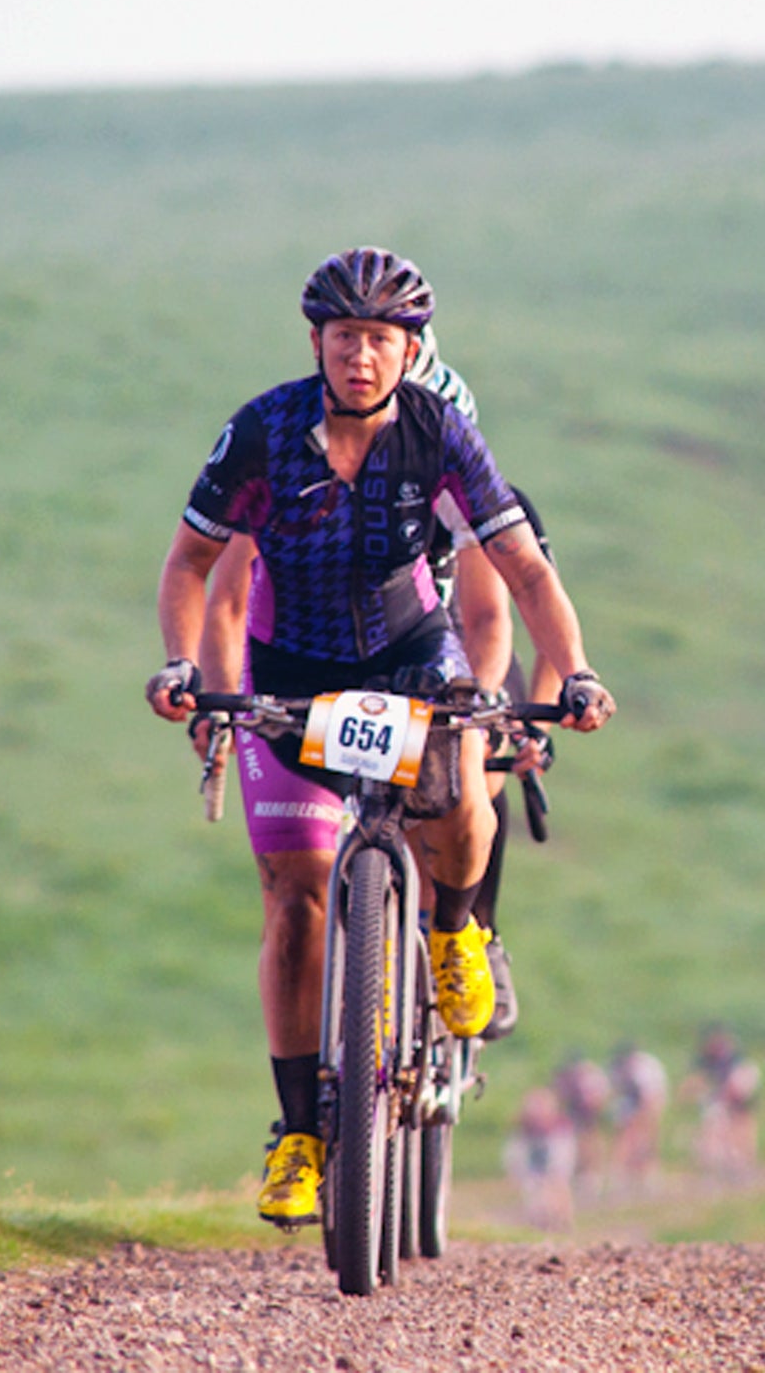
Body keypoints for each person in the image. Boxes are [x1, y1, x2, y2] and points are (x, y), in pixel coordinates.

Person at [145, 246, 615, 1229]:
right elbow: (196, 569)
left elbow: (518, 583)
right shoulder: (263, 433)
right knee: (292, 903)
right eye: (345, 337)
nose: (361, 357)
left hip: (409, 656)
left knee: (455, 790)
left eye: (382, 340)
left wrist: (565, 676)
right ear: (316, 341)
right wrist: (191, 672)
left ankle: (453, 930)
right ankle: (303, 1137)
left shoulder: (444, 436)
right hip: (291, 675)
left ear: (411, 351)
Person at [193, 330, 555, 1042]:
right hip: (345, 645)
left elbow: (497, 619)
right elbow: (227, 598)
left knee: (476, 776)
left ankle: (477, 928)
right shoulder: (309, 488)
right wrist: (214, 698)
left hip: (443, 638)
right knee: (301, 875)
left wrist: (505, 721)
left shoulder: (486, 499)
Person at [682, 1023, 761, 1181]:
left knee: (739, 1125)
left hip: (737, 1088)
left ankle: (741, 1163)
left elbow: (736, 1086)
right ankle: (720, 1164)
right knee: (715, 1126)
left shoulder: (735, 1059)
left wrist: (725, 1099)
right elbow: (695, 1081)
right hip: (720, 1093)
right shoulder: (705, 1057)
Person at [502, 1087, 577, 1232]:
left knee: (557, 1182)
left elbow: (561, 1156)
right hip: (535, 1152)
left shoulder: (559, 1126)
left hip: (554, 1148)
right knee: (534, 1186)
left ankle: (562, 1217)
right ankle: (540, 1217)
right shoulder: (524, 1126)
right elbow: (516, 1149)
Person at [607, 1042, 668, 1195]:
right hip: (631, 1099)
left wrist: (643, 1121)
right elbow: (616, 1093)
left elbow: (651, 1099)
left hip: (652, 1097)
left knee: (647, 1138)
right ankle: (623, 1175)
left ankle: (649, 1174)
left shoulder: (645, 1069)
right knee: (625, 1137)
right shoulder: (617, 1068)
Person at [552, 1049, 613, 1196]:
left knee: (590, 1143)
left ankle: (593, 1176)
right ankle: (581, 1175)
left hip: (590, 1113)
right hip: (574, 1112)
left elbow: (601, 1095)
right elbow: (559, 1095)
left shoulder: (590, 1075)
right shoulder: (566, 1076)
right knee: (576, 1144)